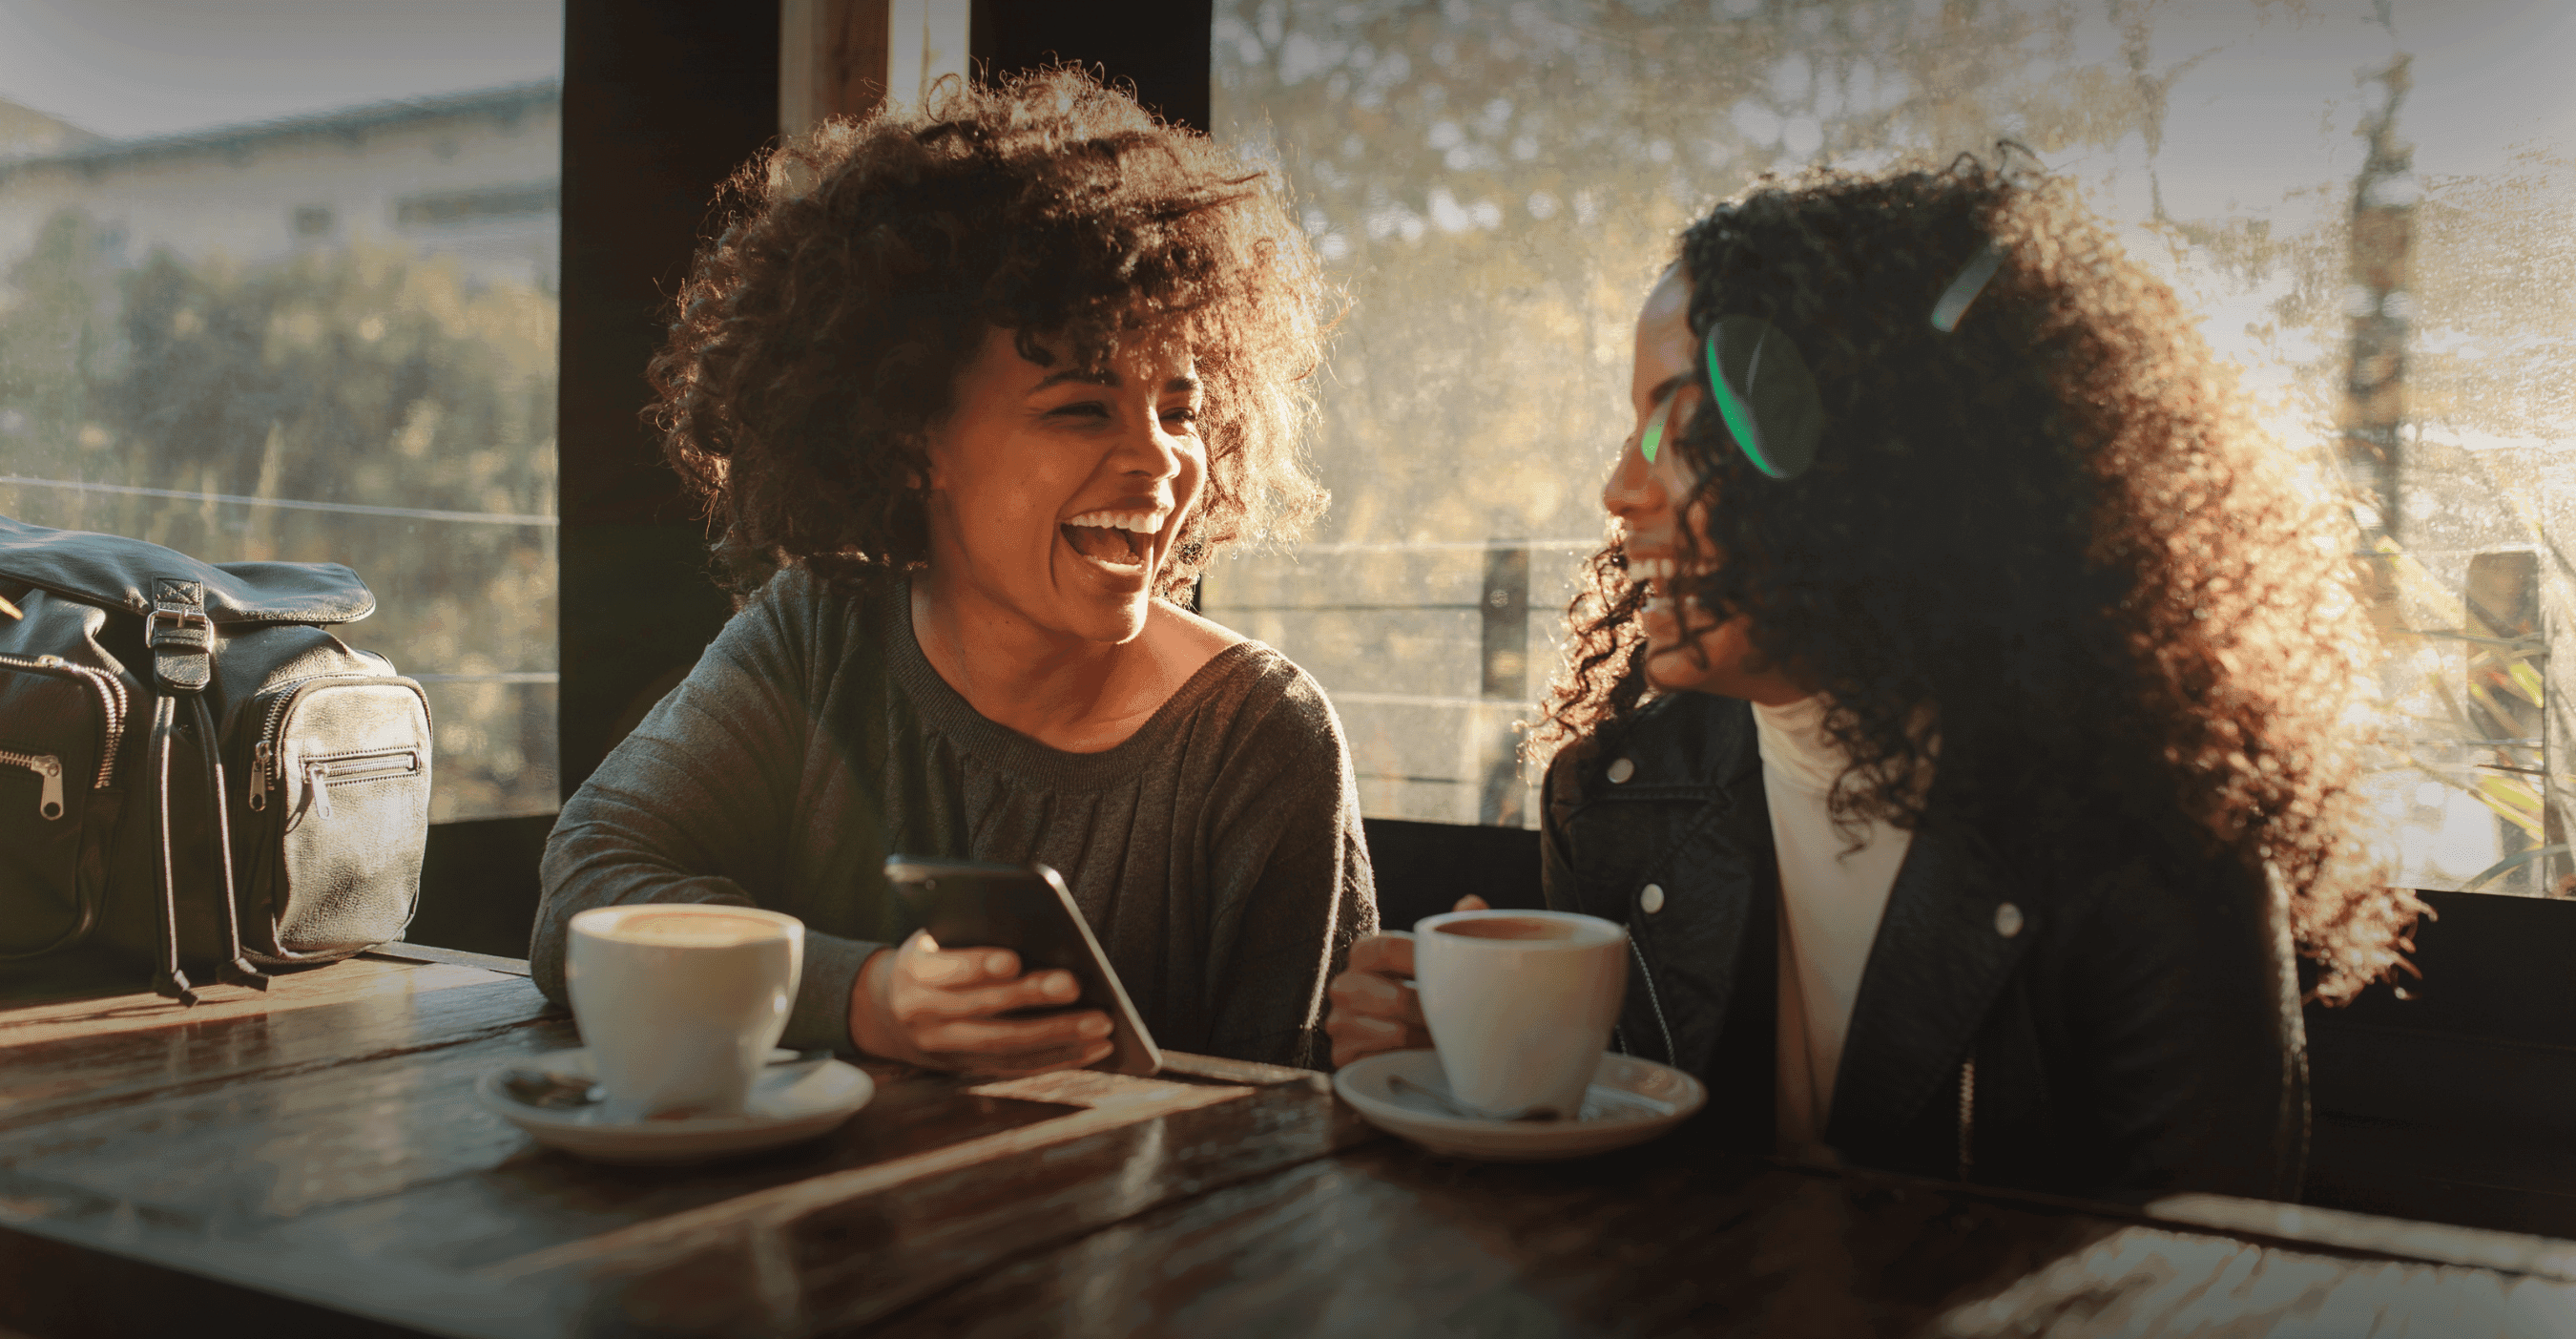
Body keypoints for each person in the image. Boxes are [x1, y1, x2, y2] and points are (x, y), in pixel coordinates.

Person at [1327, 156, 2422, 1202]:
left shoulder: (2147, 843)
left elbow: (2201, 1286)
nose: (1621, 487)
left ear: (1882, 461)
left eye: (1686, 426)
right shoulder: (1613, 797)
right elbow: (1615, 1198)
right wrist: (1476, 1074)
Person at [534, 69, 1374, 1075]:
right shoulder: (818, 635)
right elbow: (587, 888)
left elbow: (1296, 1129)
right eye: (1080, 405)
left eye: (1182, 410)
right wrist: (865, 996)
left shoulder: (1261, 736)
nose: (1160, 459)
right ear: (909, 432)